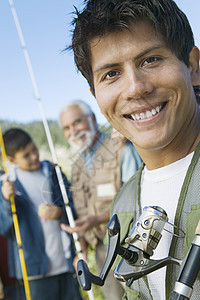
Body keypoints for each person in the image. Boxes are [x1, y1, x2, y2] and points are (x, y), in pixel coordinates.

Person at [66, 0, 200, 299]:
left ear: (192, 65)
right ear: (95, 94)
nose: (135, 88)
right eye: (111, 74)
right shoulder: (124, 202)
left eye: (150, 60)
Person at [59, 100, 142, 300]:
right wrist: (82, 252)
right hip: (102, 252)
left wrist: (97, 220)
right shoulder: (77, 165)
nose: (73, 131)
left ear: (93, 119)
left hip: (134, 246)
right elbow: (80, 209)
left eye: (77, 123)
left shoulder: (123, 148)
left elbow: (138, 201)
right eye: (67, 128)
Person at [0, 128, 82, 300]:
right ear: (11, 160)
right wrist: (7, 200)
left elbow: (76, 208)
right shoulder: (6, 184)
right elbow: (4, 226)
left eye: (34, 149)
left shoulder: (54, 172)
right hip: (34, 272)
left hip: (67, 264)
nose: (34, 157)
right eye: (26, 155)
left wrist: (60, 212)